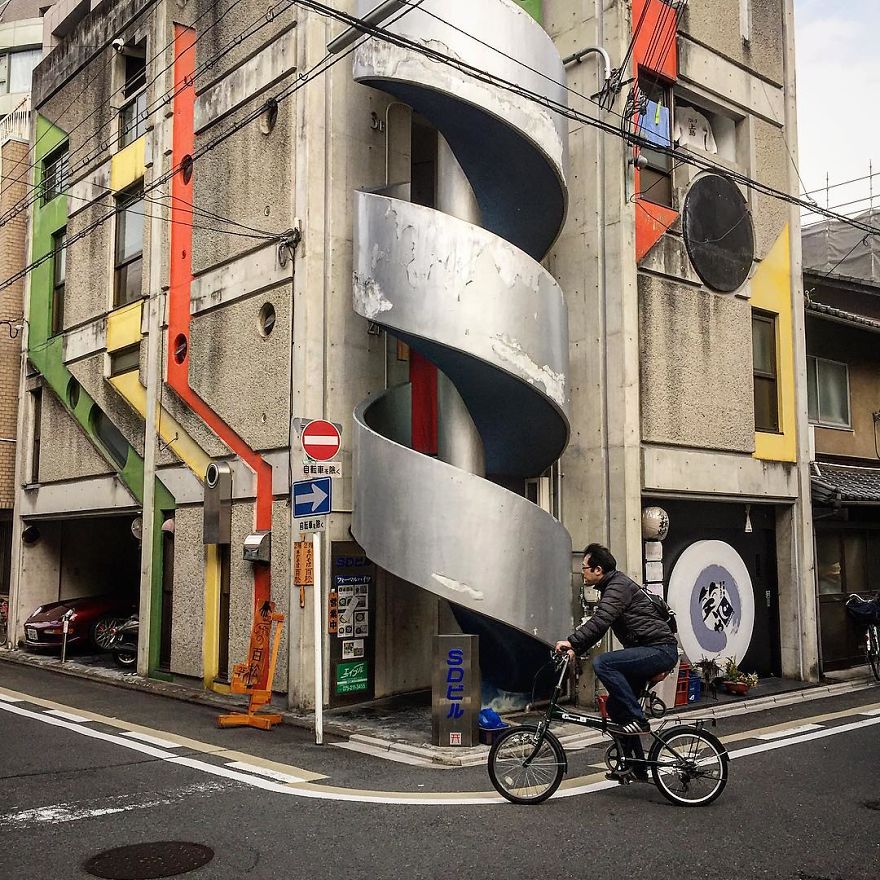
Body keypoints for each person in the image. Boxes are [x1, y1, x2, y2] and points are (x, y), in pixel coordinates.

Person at [555, 543, 678, 781]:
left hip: (659, 650)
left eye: (585, 568)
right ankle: (636, 767)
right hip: (649, 650)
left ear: (598, 569)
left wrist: (571, 642)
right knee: (615, 709)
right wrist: (576, 648)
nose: (583, 573)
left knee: (604, 663)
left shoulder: (618, 587)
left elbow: (600, 621)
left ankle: (638, 719)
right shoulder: (613, 587)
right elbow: (601, 626)